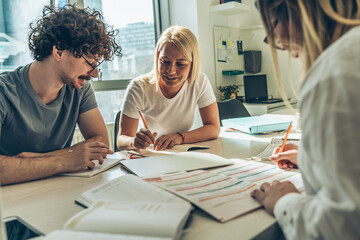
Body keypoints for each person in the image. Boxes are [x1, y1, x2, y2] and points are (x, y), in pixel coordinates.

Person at [250, 0, 360, 239]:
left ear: (291, 9)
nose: (285, 46)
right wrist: (311, 159)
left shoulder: (333, 74)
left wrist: (284, 202)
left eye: (273, 27)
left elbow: (344, 226)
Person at [0, 5, 122, 185]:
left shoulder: (80, 89)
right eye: (91, 63)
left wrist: (35, 160)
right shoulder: (4, 91)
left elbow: (101, 144)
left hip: (58, 186)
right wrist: (65, 160)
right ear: (58, 52)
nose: (94, 74)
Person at [117, 26, 220, 151]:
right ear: (157, 59)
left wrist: (180, 137)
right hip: (149, 155)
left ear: (192, 65)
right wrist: (133, 142)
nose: (171, 71)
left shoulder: (199, 81)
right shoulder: (139, 88)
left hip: (180, 153)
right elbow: (121, 140)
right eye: (164, 61)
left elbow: (214, 128)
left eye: (180, 64)